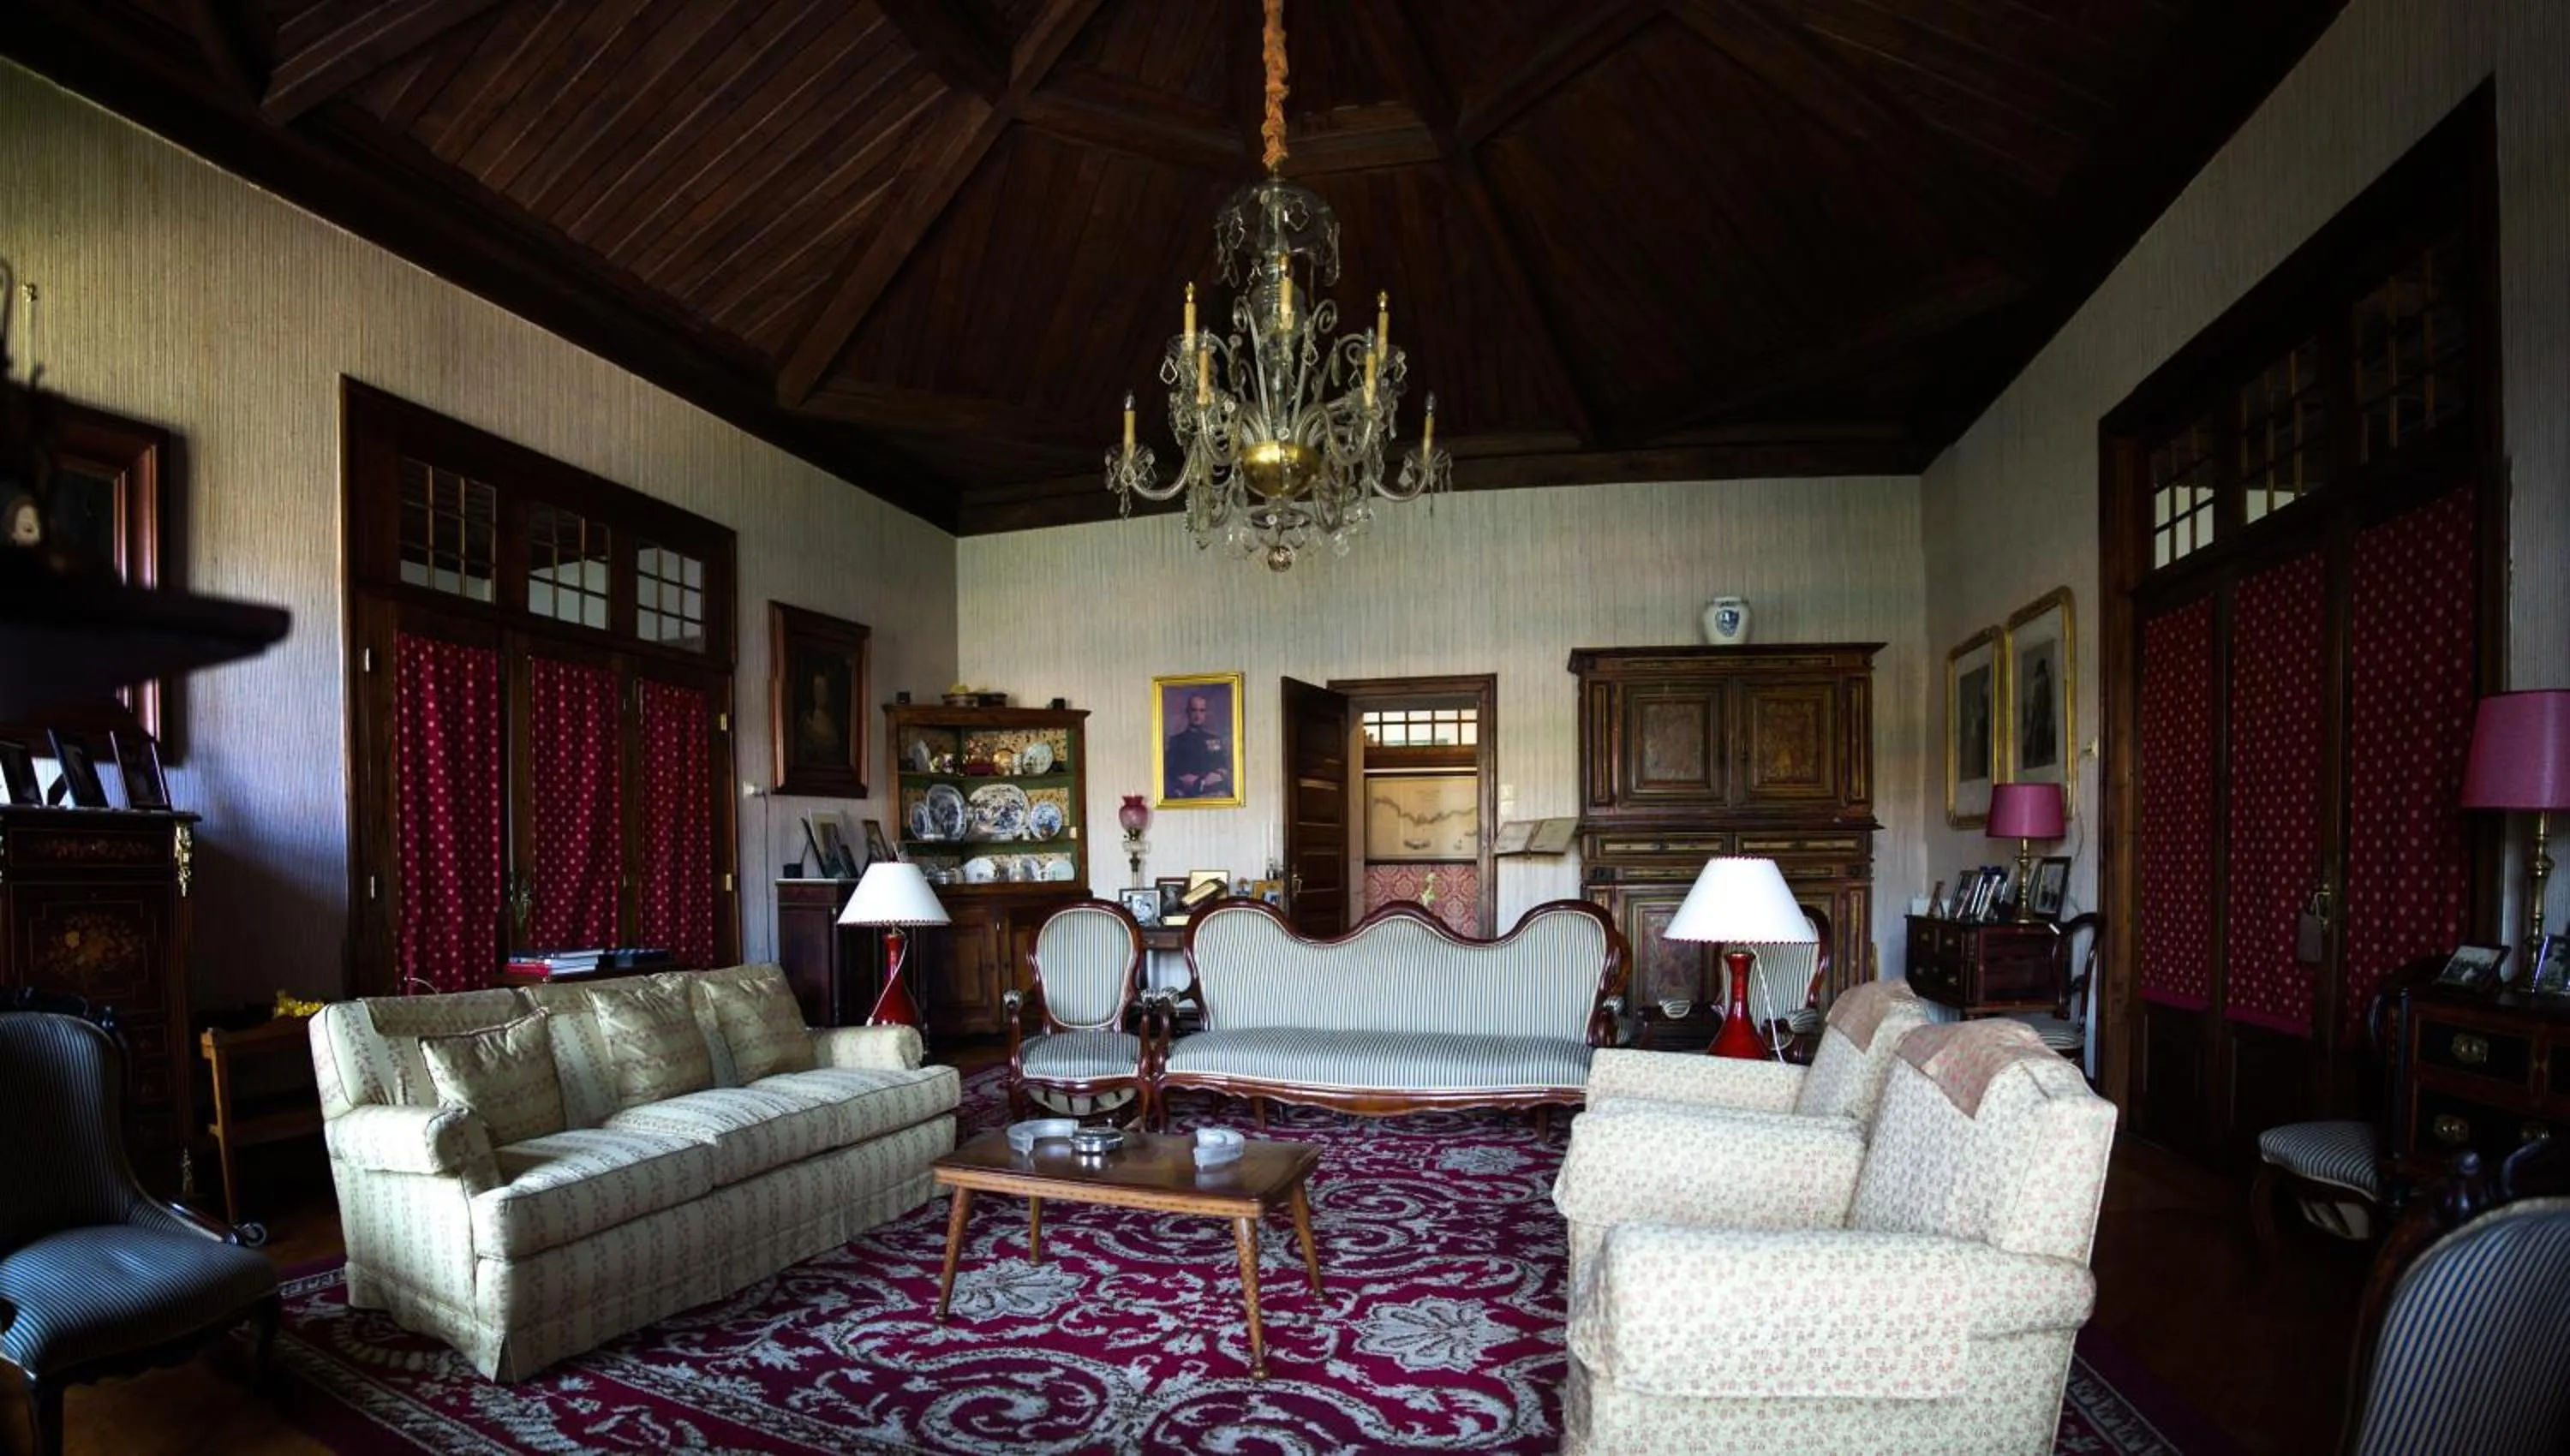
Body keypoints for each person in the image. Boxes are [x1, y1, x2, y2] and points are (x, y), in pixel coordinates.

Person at [1164, 692, 1229, 799]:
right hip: (1186, 795)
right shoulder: (1176, 741)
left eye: (1202, 710)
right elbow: (1172, 773)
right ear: (1187, 712)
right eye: (1194, 710)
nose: (1197, 715)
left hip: (1213, 794)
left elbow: (1223, 767)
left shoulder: (1214, 740)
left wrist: (1206, 780)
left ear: (1205, 713)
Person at [2021, 653, 2057, 770]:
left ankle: (2039, 756)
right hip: (2039, 711)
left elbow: (2044, 698)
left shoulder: (2041, 680)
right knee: (2038, 733)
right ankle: (2037, 756)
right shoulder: (2041, 680)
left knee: (2040, 733)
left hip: (2041, 711)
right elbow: (2040, 698)